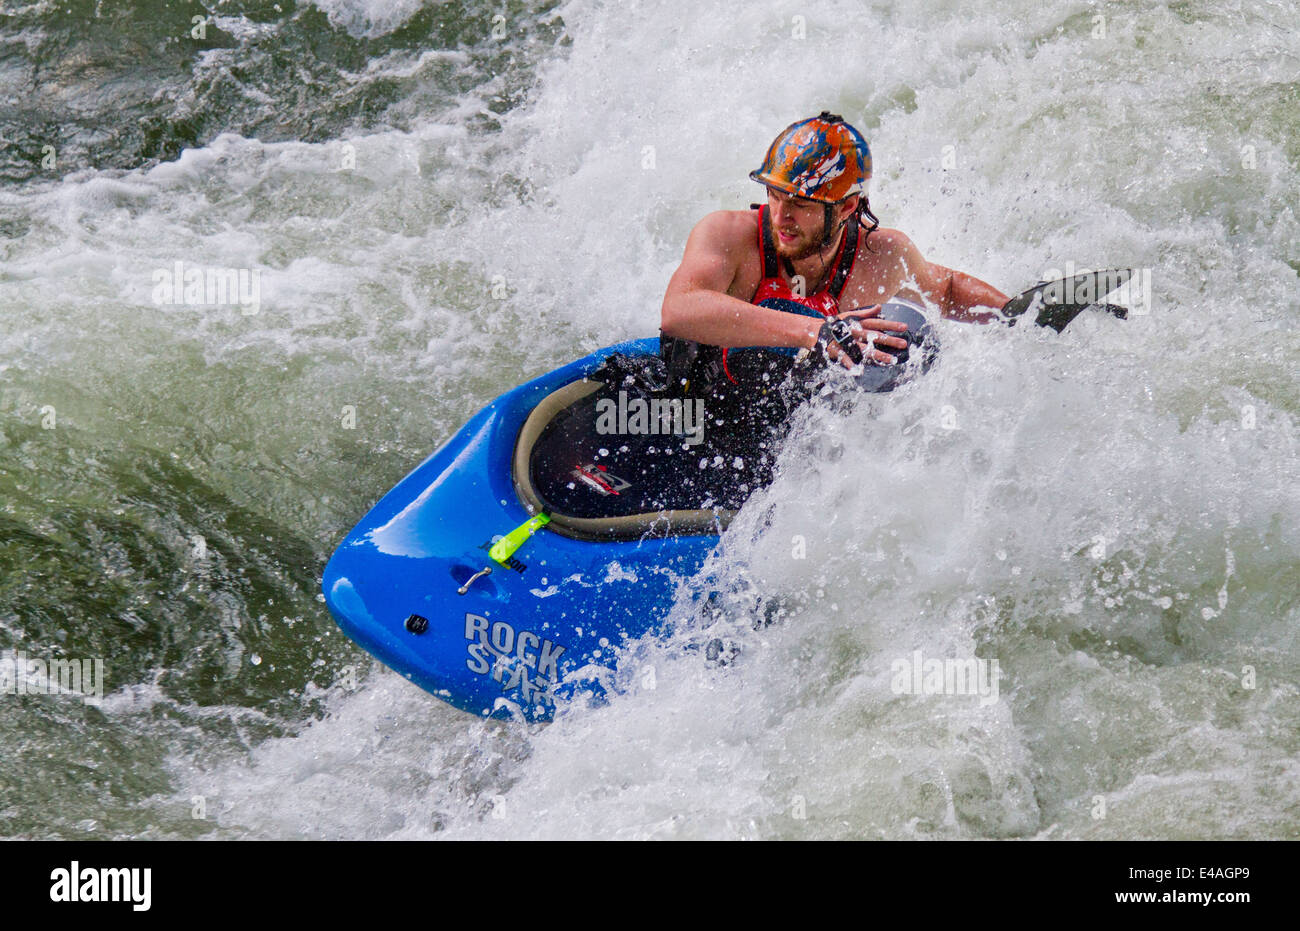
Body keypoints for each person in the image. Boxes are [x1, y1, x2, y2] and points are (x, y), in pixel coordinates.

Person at [659, 111, 1008, 389]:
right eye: (775, 196)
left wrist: (1015, 315)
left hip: (777, 446)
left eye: (800, 205)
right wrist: (816, 331)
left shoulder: (880, 255)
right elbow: (680, 308)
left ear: (845, 208)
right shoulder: (729, 235)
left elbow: (944, 290)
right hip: (694, 412)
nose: (781, 217)